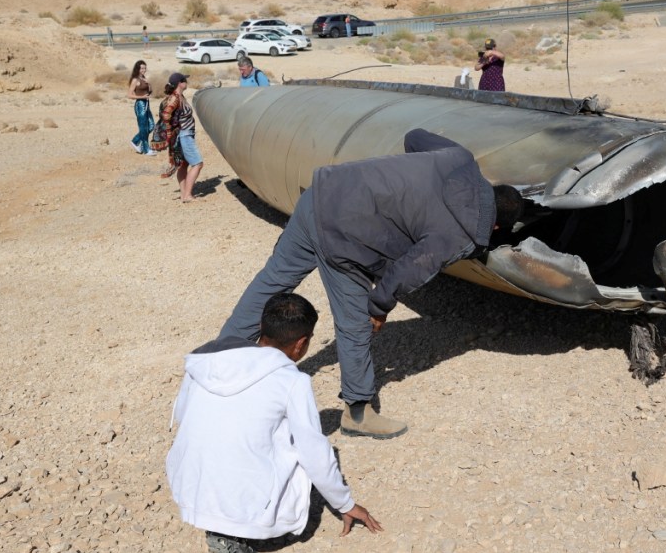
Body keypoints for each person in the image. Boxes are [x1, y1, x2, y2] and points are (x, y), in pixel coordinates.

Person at [219, 129, 526, 439]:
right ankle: (357, 412)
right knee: (355, 321)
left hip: (323, 194)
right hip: (347, 236)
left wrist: (406, 190)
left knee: (272, 282)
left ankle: (221, 360)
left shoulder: (460, 158)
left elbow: (415, 136)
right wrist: (379, 307)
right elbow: (411, 268)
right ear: (497, 224)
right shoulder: (461, 233)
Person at [166, 293, 382, 553]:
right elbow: (314, 451)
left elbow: (184, 414)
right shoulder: (291, 381)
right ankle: (232, 529)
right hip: (236, 498)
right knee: (294, 449)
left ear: (262, 326)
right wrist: (345, 504)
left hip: (188, 483)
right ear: (301, 344)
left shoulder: (205, 358)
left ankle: (217, 511)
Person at [160, 72, 204, 203]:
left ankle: (184, 194)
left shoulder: (179, 96)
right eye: (185, 80)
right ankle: (187, 195)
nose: (187, 82)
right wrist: (170, 131)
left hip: (183, 134)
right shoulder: (175, 98)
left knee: (183, 165)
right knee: (198, 163)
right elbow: (166, 114)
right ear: (180, 83)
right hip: (184, 135)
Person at [126, 60, 157, 156]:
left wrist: (149, 84)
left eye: (145, 68)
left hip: (147, 104)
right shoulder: (135, 80)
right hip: (140, 105)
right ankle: (146, 149)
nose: (144, 70)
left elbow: (150, 91)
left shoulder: (144, 78)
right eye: (142, 68)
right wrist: (142, 97)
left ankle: (135, 141)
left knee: (151, 125)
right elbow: (129, 95)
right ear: (138, 69)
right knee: (143, 127)